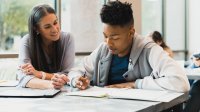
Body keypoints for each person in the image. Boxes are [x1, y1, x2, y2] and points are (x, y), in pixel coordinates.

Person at [53, 1, 189, 93]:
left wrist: (135, 84)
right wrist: (76, 80)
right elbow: (76, 71)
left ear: (131, 32)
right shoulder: (103, 49)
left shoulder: (149, 49)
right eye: (105, 36)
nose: (108, 43)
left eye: (115, 37)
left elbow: (180, 82)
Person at [17, 4, 75, 89]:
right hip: (35, 96)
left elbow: (67, 75)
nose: (55, 29)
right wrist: (52, 84)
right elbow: (23, 77)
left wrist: (39, 74)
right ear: (36, 29)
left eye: (55, 23)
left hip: (61, 93)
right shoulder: (27, 41)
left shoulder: (67, 38)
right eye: (47, 27)